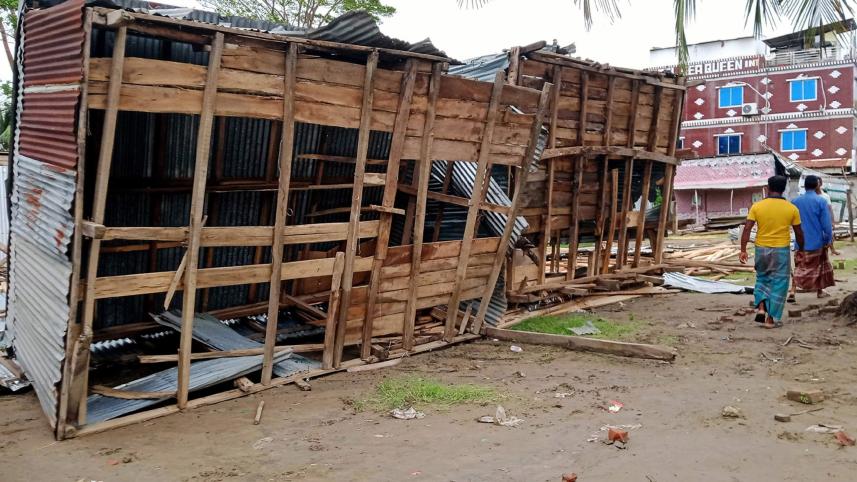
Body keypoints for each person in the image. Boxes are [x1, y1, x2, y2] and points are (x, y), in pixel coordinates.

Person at [740, 175, 804, 328]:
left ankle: (761, 309)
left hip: (761, 248)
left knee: (762, 278)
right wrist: (801, 249)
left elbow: (747, 228)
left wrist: (743, 250)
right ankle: (770, 320)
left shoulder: (757, 206)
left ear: (768, 188)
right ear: (783, 190)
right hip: (781, 250)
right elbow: (799, 233)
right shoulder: (792, 208)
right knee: (780, 283)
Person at [792, 175, 835, 298]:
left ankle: (793, 291)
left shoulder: (795, 202)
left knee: (800, 266)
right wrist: (828, 239)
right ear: (817, 185)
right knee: (820, 266)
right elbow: (826, 225)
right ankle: (819, 291)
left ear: (804, 186)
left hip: (800, 242)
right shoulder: (821, 201)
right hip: (817, 241)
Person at [815, 178, 840, 255]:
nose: (817, 185)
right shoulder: (811, 196)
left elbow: (830, 209)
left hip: (825, 219)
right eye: (815, 183)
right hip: (815, 219)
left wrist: (832, 221)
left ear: (821, 184)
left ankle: (832, 249)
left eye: (818, 183)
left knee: (829, 234)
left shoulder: (825, 196)